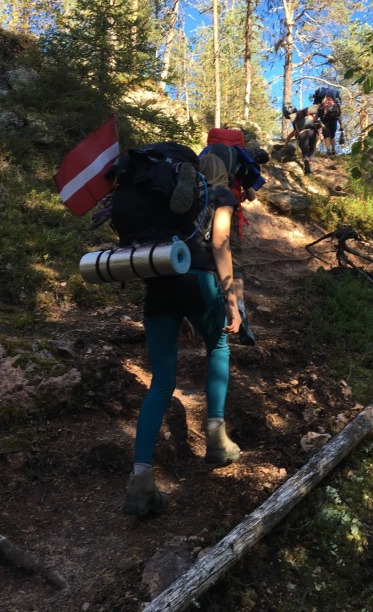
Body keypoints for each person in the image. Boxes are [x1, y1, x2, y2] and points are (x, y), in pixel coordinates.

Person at [122, 153, 242, 517]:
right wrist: (232, 300)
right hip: (201, 282)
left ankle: (140, 481)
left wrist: (179, 310)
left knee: (161, 383)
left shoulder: (168, 197)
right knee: (219, 346)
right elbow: (219, 245)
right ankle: (216, 438)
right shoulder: (219, 194)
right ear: (226, 171)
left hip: (161, 283)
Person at [200, 132, 267, 347]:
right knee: (234, 263)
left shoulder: (206, 155)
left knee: (203, 256)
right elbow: (252, 195)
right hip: (230, 211)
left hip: (201, 210)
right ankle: (240, 311)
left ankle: (200, 315)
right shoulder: (239, 157)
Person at [284, 103, 323, 175]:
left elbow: (288, 138)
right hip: (313, 133)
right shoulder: (305, 112)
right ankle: (310, 161)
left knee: (305, 155)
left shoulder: (295, 122)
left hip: (302, 134)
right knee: (311, 154)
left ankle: (308, 170)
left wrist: (284, 149)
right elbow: (321, 137)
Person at [313, 86, 343, 157]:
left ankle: (328, 151)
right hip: (334, 118)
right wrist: (341, 125)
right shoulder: (335, 102)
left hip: (324, 119)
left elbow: (317, 111)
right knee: (332, 136)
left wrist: (314, 121)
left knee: (327, 136)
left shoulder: (320, 102)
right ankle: (333, 150)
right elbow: (339, 115)